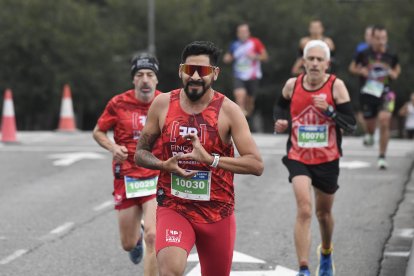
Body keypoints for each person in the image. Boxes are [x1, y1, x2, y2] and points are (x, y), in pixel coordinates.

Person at [135, 41, 264, 276]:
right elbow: (140, 153)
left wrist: (211, 160)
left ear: (214, 74)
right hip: (174, 206)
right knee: (170, 271)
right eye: (189, 70)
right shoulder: (163, 104)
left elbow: (256, 164)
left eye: (202, 71)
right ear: (180, 71)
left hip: (217, 213)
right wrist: (163, 165)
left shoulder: (229, 111)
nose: (194, 76)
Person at [274, 40, 356, 276]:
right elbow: (279, 108)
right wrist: (281, 122)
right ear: (304, 62)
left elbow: (351, 125)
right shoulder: (292, 85)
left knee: (324, 214)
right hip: (298, 155)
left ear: (327, 64)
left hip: (327, 158)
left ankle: (327, 252)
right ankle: (303, 268)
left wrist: (329, 111)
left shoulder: (335, 86)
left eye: (320, 59)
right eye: (310, 59)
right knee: (304, 209)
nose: (314, 63)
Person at [92, 53, 161, 276]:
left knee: (154, 236)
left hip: (155, 177)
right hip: (127, 178)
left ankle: (146, 235)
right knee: (128, 244)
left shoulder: (166, 102)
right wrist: (113, 147)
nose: (145, 80)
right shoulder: (118, 103)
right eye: (140, 75)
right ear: (133, 80)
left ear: (156, 79)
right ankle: (136, 238)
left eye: (150, 75)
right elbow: (98, 131)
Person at [349, 25, 401, 169]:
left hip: (386, 92)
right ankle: (370, 134)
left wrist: (393, 73)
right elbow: (352, 68)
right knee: (370, 126)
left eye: (383, 38)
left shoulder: (392, 54)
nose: (381, 41)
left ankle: (382, 156)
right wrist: (361, 70)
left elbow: (397, 68)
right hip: (368, 93)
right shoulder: (363, 53)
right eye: (377, 38)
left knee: (385, 121)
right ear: (371, 39)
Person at [223, 23, 268, 123]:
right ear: (237, 34)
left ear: (248, 33)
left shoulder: (255, 42)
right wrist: (227, 58)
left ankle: (247, 116)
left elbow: (265, 57)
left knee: (250, 102)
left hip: (253, 76)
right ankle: (240, 120)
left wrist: (255, 57)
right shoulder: (234, 45)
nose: (243, 34)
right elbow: (227, 58)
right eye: (241, 32)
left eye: (245, 32)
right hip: (238, 75)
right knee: (240, 95)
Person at [349, 25, 374, 136]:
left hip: (380, 85)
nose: (369, 37)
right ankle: (368, 132)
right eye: (367, 35)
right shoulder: (361, 49)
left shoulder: (384, 49)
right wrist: (361, 71)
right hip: (364, 84)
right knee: (360, 111)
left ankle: (373, 132)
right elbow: (352, 67)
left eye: (371, 35)